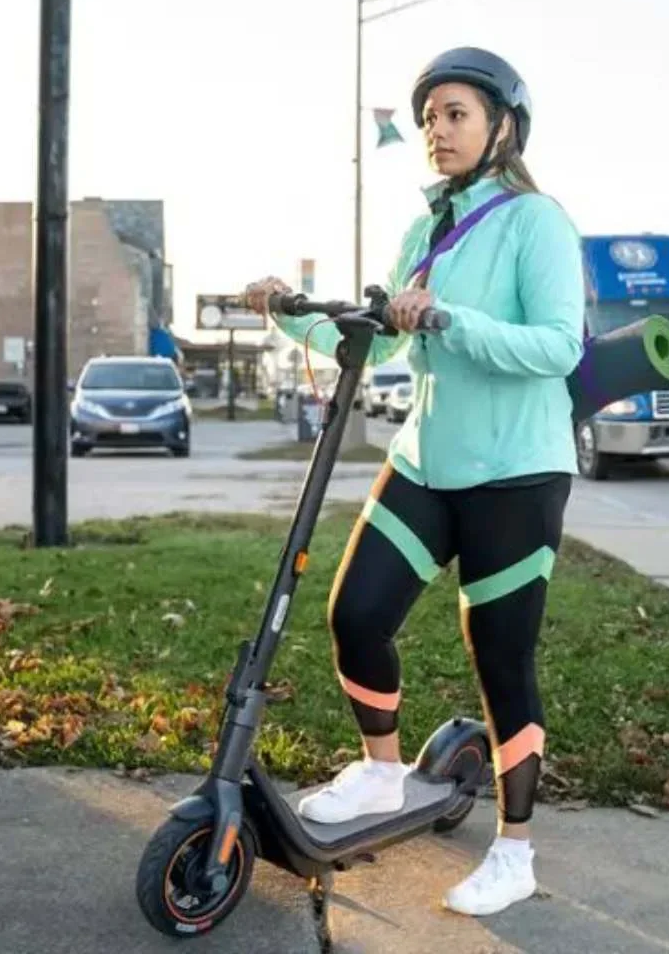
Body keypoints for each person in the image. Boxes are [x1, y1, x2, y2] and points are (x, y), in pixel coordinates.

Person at [244, 47, 585, 917]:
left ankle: (516, 851)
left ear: (503, 127)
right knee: (355, 614)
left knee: (502, 659)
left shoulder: (535, 222)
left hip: (516, 473)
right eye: (431, 117)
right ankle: (383, 774)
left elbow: (557, 347)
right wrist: (293, 314)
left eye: (456, 113)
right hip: (427, 462)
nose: (437, 130)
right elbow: (384, 344)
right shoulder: (427, 231)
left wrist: (450, 316)